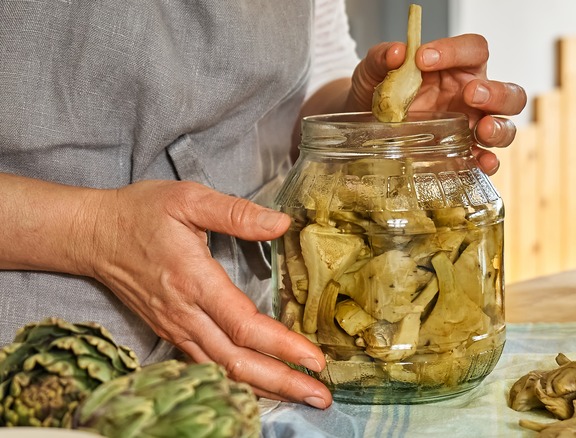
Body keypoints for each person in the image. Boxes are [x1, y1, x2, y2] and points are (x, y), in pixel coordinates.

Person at [0, 0, 526, 410]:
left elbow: (299, 89)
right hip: (33, 365)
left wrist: (361, 128)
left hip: (264, 356)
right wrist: (92, 230)